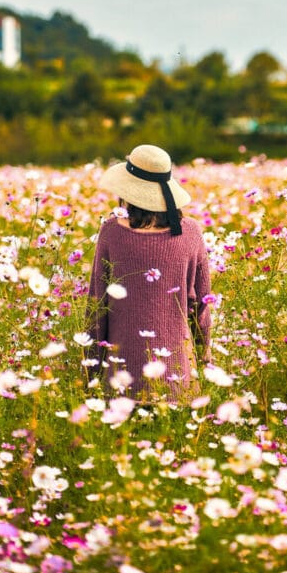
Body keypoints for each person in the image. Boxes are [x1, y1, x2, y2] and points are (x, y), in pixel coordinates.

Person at [86, 144, 212, 403]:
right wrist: (204, 353)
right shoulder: (190, 232)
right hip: (177, 376)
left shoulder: (111, 232)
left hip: (121, 379)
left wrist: (91, 369)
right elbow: (201, 304)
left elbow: (97, 305)